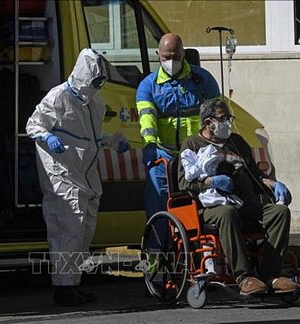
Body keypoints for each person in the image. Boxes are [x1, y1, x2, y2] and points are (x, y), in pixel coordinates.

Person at [26, 48, 129, 306]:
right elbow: (33, 125)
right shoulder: (58, 97)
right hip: (61, 173)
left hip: (85, 175)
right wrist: (48, 136)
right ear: (84, 76)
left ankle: (73, 282)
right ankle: (63, 287)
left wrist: (112, 142)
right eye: (95, 81)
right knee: (67, 229)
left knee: (84, 229)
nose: (98, 86)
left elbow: (90, 138)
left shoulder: (95, 103)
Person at [178, 98, 300, 295]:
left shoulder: (238, 143)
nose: (228, 122)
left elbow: (254, 177)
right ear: (208, 122)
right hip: (212, 208)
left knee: (279, 212)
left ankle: (271, 275)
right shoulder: (192, 144)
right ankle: (245, 277)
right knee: (227, 213)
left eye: (229, 118)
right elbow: (184, 183)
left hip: (245, 204)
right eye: (223, 118)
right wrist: (212, 181)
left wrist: (272, 183)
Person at [136, 32, 220, 226]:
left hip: (199, 155)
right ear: (158, 54)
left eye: (176, 56)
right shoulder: (148, 86)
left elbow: (217, 115)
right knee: (158, 204)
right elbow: (147, 120)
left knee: (204, 203)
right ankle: (157, 251)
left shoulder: (203, 80)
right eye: (167, 57)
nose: (171, 61)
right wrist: (149, 145)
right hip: (164, 155)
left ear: (184, 54)